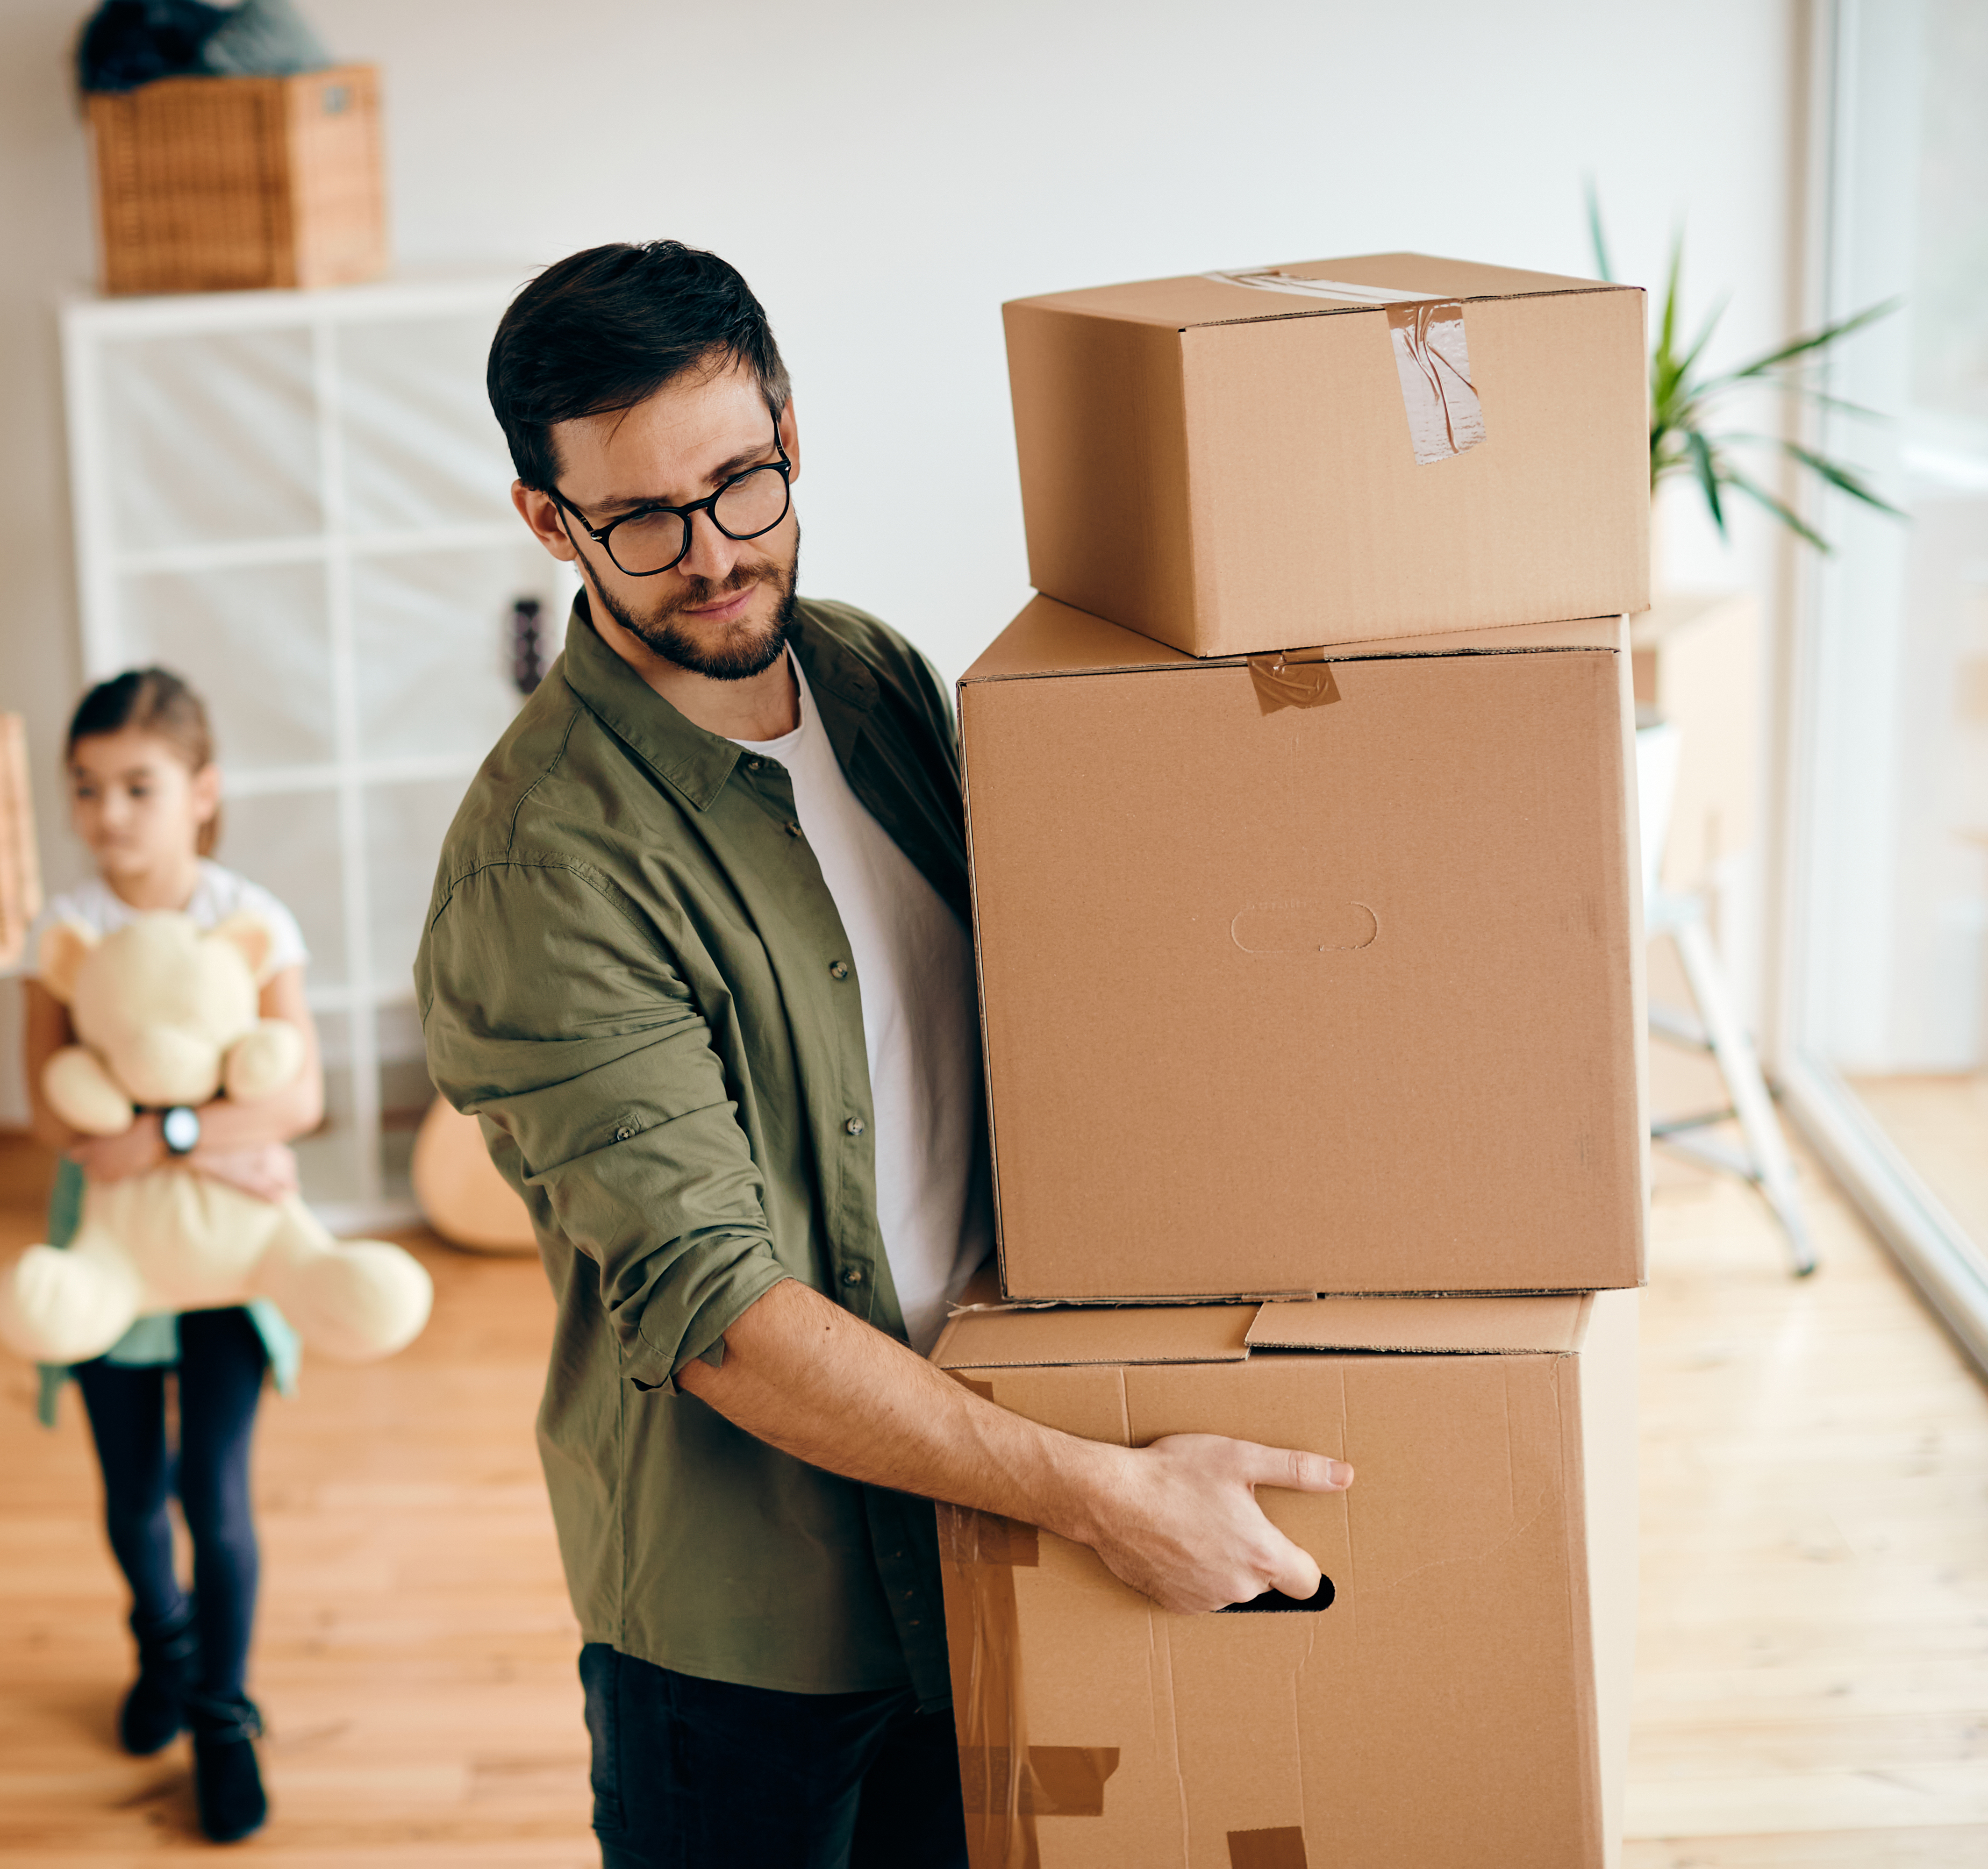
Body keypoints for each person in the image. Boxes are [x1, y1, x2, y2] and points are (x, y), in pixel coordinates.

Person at [415, 243, 1358, 1869]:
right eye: (643, 519)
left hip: (995, 1524)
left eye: (743, 483)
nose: (712, 557)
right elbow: (719, 1316)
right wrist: (1105, 1496)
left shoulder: (865, 672)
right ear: (546, 522)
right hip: (754, 1636)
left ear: (791, 427)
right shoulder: (544, 872)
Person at [23, 668, 318, 1846]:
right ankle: (165, 1638)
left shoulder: (252, 918)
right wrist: (181, 1135)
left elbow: (297, 1093)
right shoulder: (67, 929)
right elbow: (50, 1114)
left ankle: (220, 1712)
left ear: (202, 792)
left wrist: (164, 1133)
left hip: (229, 1256)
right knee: (133, 1489)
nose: (108, 814)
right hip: (108, 1247)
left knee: (216, 1492)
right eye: (86, 789)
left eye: (136, 786)